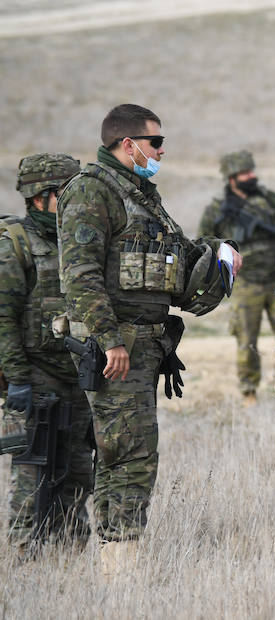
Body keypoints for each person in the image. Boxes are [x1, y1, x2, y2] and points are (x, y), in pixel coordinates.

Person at [58, 103, 241, 572]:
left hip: (144, 348)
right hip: (118, 350)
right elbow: (80, 275)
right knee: (125, 454)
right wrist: (110, 339)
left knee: (136, 452)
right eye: (155, 142)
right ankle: (117, 564)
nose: (161, 150)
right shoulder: (93, 191)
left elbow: (177, 266)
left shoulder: (142, 197)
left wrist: (219, 259)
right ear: (128, 144)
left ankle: (124, 555)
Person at [0, 153, 93, 555]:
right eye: (65, 194)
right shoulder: (15, 244)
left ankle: (71, 554)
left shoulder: (82, 240)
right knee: (32, 475)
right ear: (40, 197)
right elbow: (4, 319)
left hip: (79, 374)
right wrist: (18, 379)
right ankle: (24, 556)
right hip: (35, 377)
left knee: (77, 472)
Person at [197, 150, 275, 403]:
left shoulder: (270, 199)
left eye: (252, 171)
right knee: (246, 340)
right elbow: (202, 240)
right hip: (245, 282)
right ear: (232, 178)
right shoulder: (218, 208)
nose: (251, 177)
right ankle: (249, 391)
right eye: (245, 173)